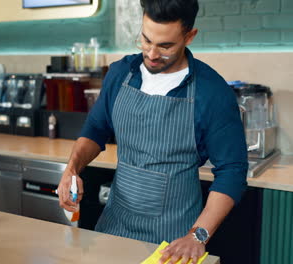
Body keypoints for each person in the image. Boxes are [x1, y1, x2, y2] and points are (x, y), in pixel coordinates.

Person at [57, 0, 248, 263]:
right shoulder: (121, 73)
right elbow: (95, 129)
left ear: (189, 36)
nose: (152, 54)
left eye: (165, 46)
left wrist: (198, 235)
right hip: (114, 228)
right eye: (146, 40)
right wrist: (72, 168)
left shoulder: (211, 92)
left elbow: (232, 170)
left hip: (174, 240)